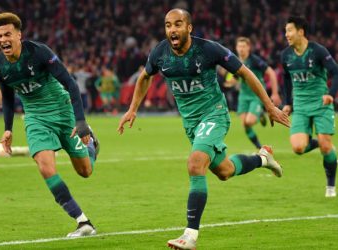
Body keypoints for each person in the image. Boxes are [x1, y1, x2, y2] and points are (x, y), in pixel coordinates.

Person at [118, 8, 289, 250]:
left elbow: (245, 72)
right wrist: (133, 108)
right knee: (225, 171)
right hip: (191, 123)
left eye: (178, 24)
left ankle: (190, 236)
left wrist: (270, 106)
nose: (172, 30)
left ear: (189, 28)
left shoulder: (209, 49)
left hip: (215, 114)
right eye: (168, 25)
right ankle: (263, 159)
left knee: (195, 163)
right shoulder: (160, 53)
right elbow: (145, 76)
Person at [0, 12, 100, 237]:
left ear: (19, 35)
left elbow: (70, 84)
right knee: (45, 167)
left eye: (7, 34)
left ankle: (92, 145)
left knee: (85, 171)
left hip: (62, 112)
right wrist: (8, 128)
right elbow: (9, 98)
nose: (3, 40)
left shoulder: (39, 53)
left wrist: (80, 122)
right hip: (35, 118)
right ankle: (83, 222)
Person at [281, 16, 338, 198]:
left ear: (301, 31)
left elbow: (336, 72)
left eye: (289, 30)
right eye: (285, 31)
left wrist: (331, 93)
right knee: (298, 148)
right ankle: (320, 142)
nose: (286, 34)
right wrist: (287, 103)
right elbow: (287, 79)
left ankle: (330, 186)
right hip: (301, 106)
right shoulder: (286, 55)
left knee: (326, 148)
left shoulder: (318, 51)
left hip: (321, 104)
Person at [225, 37, 282, 149]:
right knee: (245, 124)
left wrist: (275, 93)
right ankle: (259, 147)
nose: (241, 49)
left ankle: (260, 113)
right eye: (239, 46)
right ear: (236, 48)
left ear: (248, 48)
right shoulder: (236, 61)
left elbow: (271, 72)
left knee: (249, 121)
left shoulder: (255, 60)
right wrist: (230, 82)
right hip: (243, 96)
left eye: (244, 46)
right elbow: (236, 77)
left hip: (256, 96)